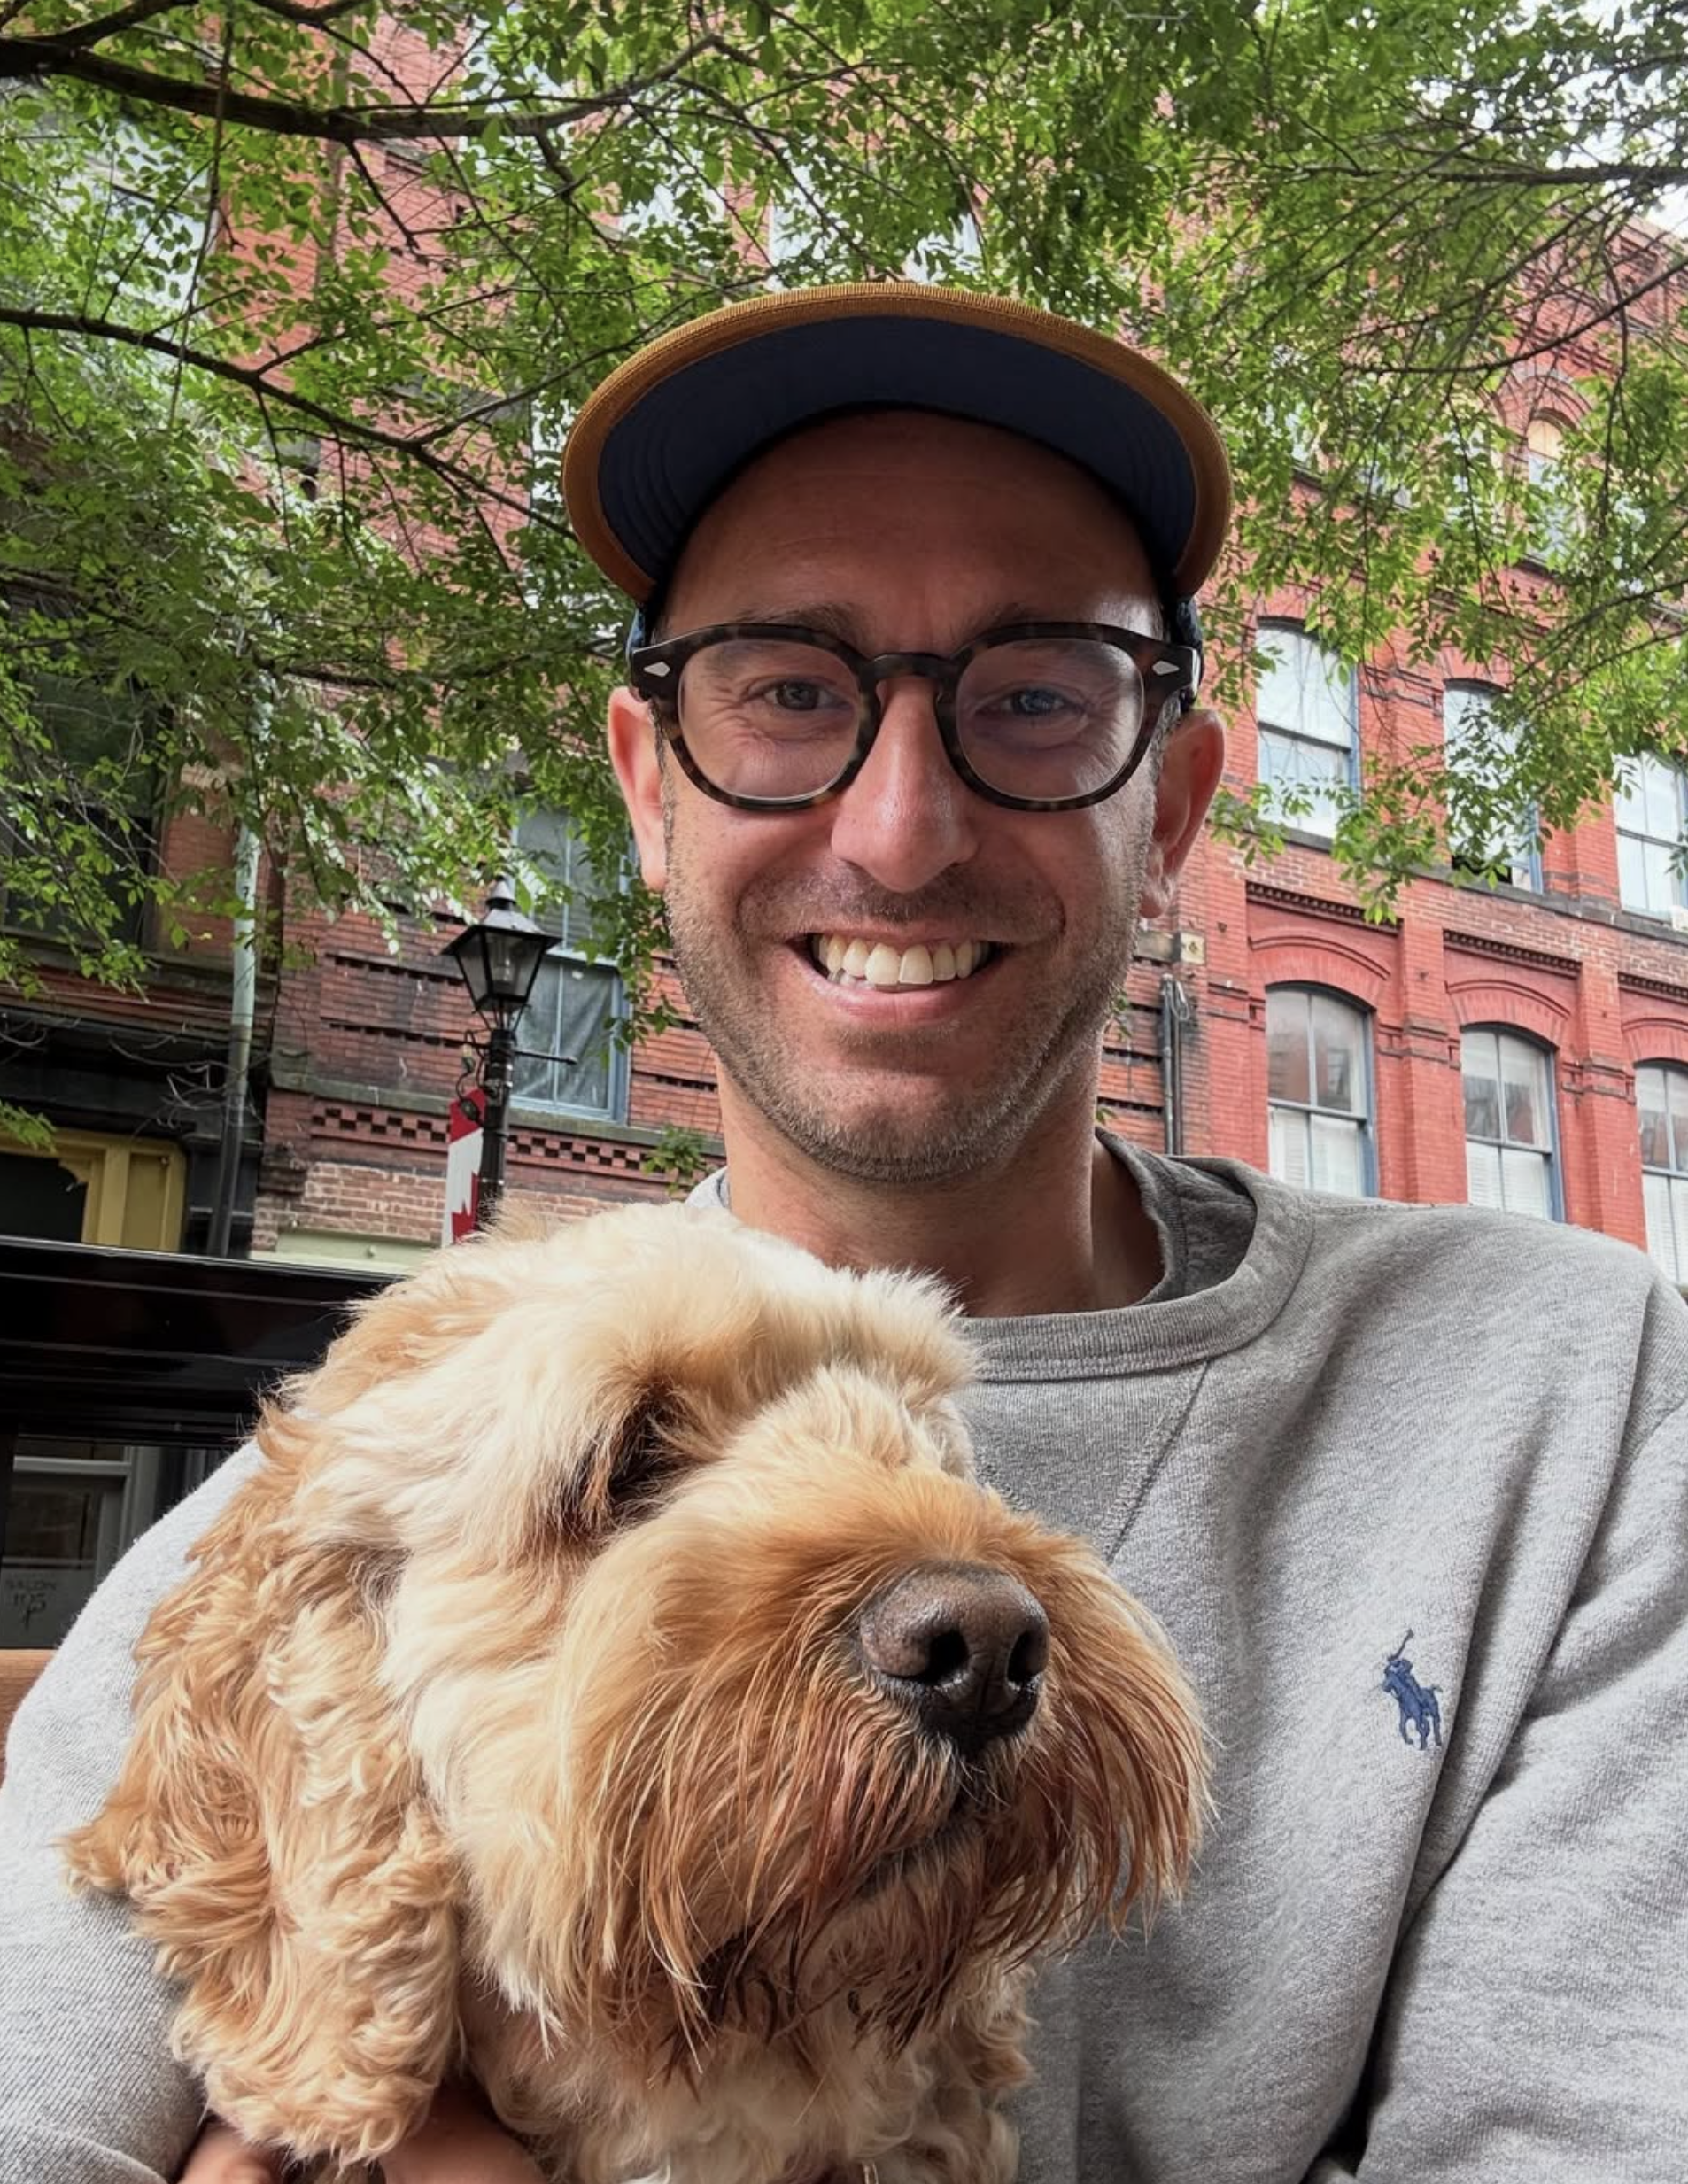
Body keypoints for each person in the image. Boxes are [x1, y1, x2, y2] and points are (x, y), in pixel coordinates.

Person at [2, 283, 1684, 2184]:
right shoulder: (366, 1494)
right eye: (787, 691)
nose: (896, 830)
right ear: (647, 791)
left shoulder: (1578, 1392)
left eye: (1035, 700)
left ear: (1177, 805)